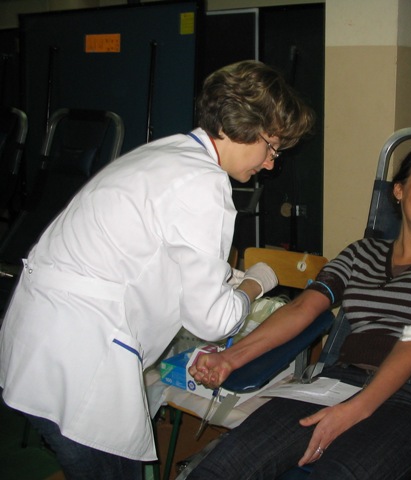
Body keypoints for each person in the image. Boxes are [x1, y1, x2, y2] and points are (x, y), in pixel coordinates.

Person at [0, 60, 314, 479]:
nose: (271, 164)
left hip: (37, 338)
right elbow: (212, 321)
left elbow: (151, 253)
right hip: (79, 359)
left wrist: (221, 279)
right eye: (272, 148)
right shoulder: (205, 182)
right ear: (246, 125)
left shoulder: (164, 152)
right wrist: (256, 282)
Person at [187, 143, 411, 479]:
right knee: (221, 468)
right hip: (339, 382)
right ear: (399, 190)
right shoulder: (361, 253)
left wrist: (355, 410)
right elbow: (303, 307)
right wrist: (229, 359)